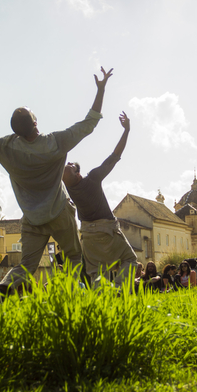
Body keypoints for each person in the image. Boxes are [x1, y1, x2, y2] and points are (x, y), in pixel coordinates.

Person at [0, 68, 112, 294]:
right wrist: (101, 90)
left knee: (26, 266)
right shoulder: (55, 142)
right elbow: (89, 123)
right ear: (36, 123)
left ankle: (4, 287)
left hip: (32, 218)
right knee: (75, 256)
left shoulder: (5, 148)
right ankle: (81, 295)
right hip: (59, 212)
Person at [63, 112, 137, 288]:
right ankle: (118, 289)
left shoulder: (68, 189)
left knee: (96, 272)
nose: (69, 165)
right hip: (106, 229)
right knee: (130, 259)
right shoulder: (92, 178)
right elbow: (114, 156)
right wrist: (127, 131)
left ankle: (102, 300)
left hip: (88, 233)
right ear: (78, 173)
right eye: (69, 166)